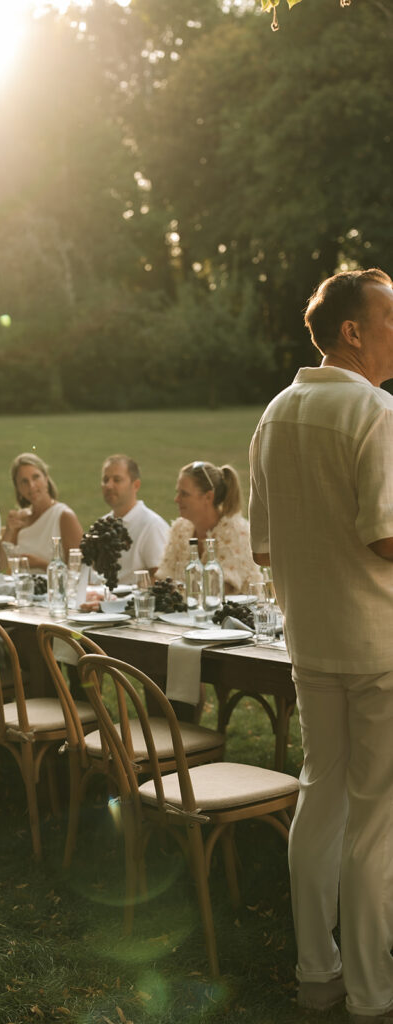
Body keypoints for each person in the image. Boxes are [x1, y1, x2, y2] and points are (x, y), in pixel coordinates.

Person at [249, 268, 393, 1024]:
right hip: (378, 646)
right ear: (352, 330)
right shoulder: (374, 410)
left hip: (309, 639)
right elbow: (384, 533)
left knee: (320, 795)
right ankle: (372, 996)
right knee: (376, 819)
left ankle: (316, 974)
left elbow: (263, 548)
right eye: (389, 318)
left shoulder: (275, 412)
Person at [156, 460, 261, 593]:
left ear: (208, 496)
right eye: (178, 492)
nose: (177, 499)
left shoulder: (235, 531)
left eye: (184, 494)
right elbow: (163, 581)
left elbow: (221, 591)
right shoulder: (180, 529)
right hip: (188, 612)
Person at [1, 452, 83, 569]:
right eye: (24, 481)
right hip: (23, 585)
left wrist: (41, 565)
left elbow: (80, 571)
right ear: (18, 488)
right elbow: (1, 566)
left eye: (36, 477)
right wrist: (9, 531)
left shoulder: (64, 516)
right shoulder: (21, 520)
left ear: (46, 478)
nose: (31, 486)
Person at [100, 454, 170, 585]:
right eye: (105, 479)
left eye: (117, 480)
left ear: (136, 485)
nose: (108, 485)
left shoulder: (151, 525)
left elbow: (162, 577)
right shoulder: (103, 525)